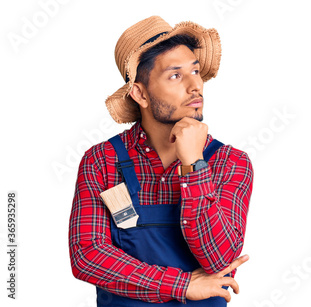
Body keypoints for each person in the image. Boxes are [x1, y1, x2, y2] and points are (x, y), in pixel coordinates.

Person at [68, 16, 253, 306]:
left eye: (195, 71)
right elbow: (88, 255)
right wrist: (181, 285)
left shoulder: (229, 162)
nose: (196, 86)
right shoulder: (102, 161)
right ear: (140, 93)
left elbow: (221, 259)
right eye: (176, 75)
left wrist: (194, 164)